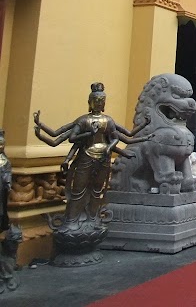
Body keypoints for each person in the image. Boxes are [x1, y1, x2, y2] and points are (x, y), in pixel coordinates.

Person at [33, 82, 148, 224]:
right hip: (86, 158)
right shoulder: (83, 121)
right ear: (90, 102)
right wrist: (40, 128)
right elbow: (61, 136)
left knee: (97, 191)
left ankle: (92, 219)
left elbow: (125, 136)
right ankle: (72, 220)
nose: (99, 103)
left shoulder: (108, 121)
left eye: (102, 101)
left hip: (103, 160)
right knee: (78, 191)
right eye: (96, 100)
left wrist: (144, 126)